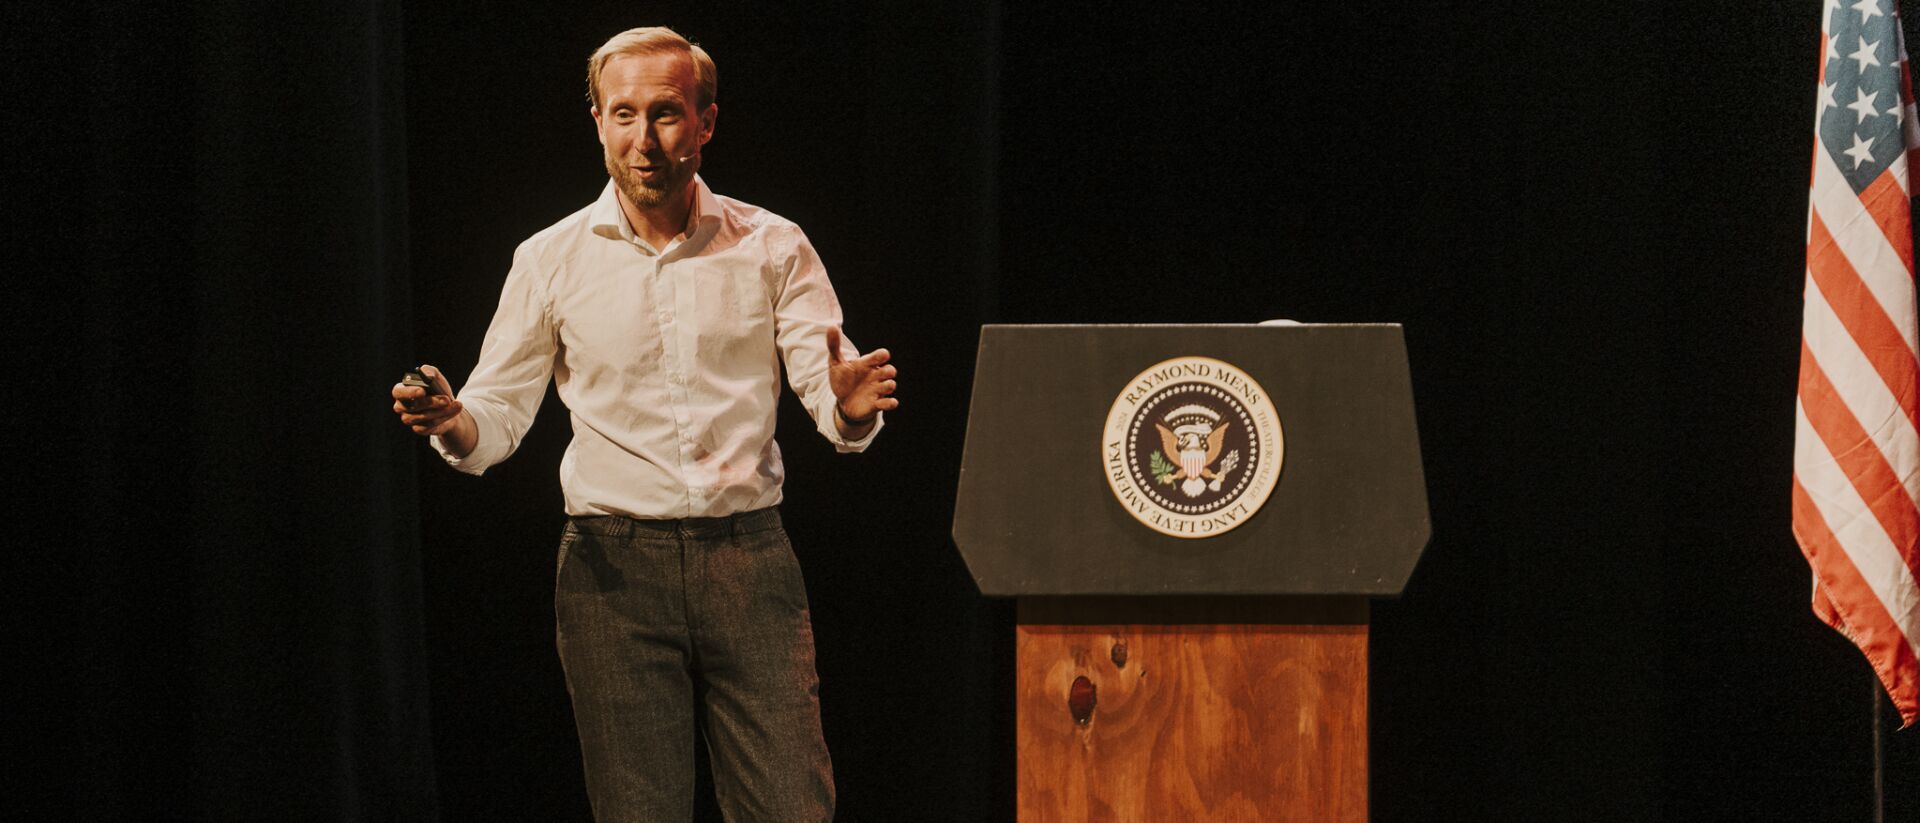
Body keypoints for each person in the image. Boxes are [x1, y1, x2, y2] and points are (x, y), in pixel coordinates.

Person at [391, 26, 896, 822]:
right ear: (596, 120)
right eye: (623, 113)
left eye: (665, 113)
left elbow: (825, 380)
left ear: (706, 121)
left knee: (792, 804)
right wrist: (453, 420)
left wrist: (847, 406)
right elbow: (496, 417)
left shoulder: (770, 245)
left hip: (749, 558)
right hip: (610, 569)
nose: (645, 138)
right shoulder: (550, 258)